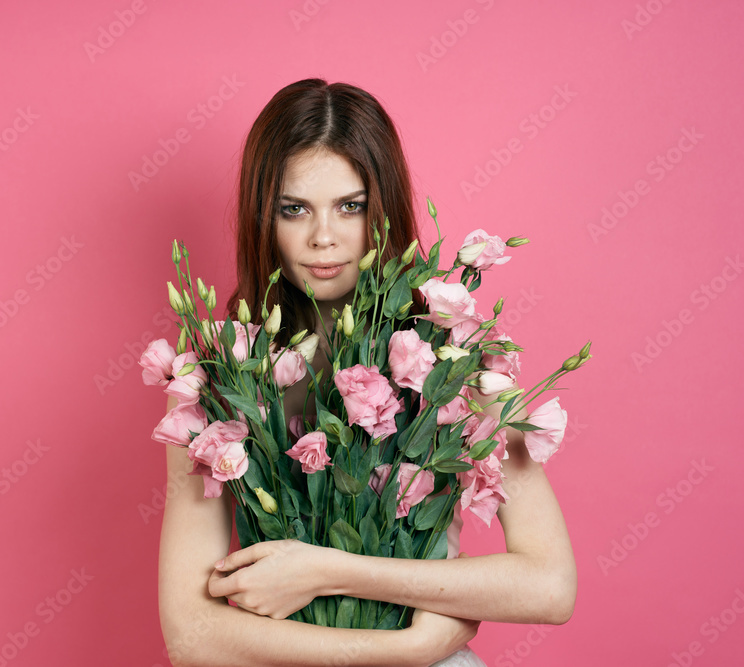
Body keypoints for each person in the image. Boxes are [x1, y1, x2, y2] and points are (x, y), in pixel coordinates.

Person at [157, 78, 576, 667]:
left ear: (381, 211)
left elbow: (550, 586)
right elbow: (191, 636)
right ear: (263, 215)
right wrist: (409, 647)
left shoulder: (453, 358)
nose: (323, 237)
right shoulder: (221, 376)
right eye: (293, 208)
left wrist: (328, 572)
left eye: (349, 206)